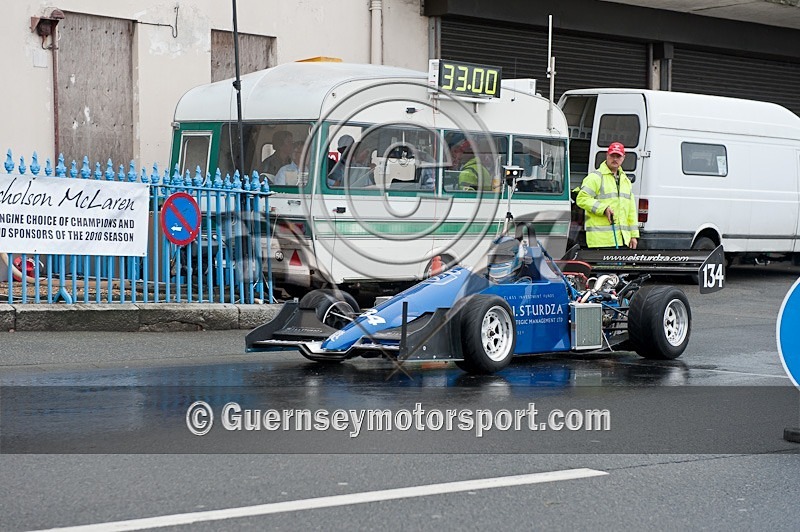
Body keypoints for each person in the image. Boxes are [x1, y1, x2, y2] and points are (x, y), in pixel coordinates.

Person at [575, 141, 639, 249]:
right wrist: (603, 208)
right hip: (601, 242)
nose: (615, 159)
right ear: (607, 155)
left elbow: (631, 211)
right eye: (612, 156)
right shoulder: (595, 177)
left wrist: (633, 235)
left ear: (623, 157)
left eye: (618, 156)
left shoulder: (625, 181)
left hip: (623, 240)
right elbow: (582, 199)